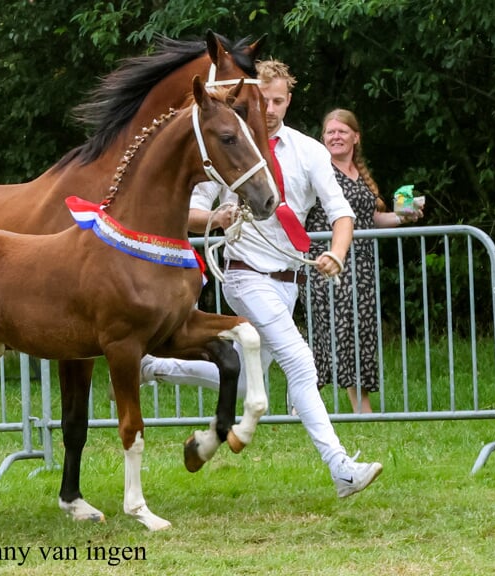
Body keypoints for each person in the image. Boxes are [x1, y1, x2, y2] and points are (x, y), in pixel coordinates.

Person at [147, 59, 382, 498]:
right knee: (299, 360)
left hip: (289, 278)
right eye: (263, 100)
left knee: (243, 372)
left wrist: (336, 251)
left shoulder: (309, 150)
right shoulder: (230, 144)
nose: (269, 109)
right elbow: (189, 210)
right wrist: (215, 217)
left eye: (277, 100)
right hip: (244, 275)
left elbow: (341, 211)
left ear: (289, 101)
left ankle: (156, 366)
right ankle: (341, 468)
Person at [302, 109, 424, 414]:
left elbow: (370, 220)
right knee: (328, 334)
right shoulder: (318, 170)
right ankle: (303, 404)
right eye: (330, 132)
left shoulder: (361, 175)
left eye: (342, 131)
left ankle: (359, 406)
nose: (335, 137)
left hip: (364, 266)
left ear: (356, 137)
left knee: (361, 332)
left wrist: (403, 215)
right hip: (327, 263)